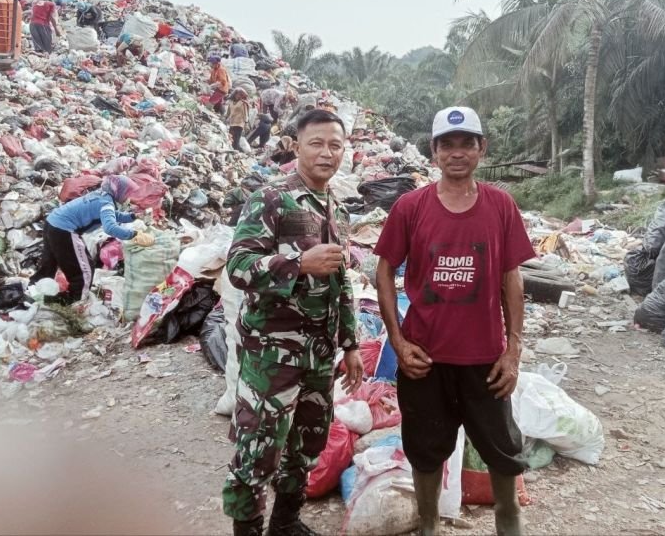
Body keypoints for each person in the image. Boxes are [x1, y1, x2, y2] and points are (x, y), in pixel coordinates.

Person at [374, 106, 535, 536]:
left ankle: (509, 524)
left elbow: (511, 278)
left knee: (502, 450)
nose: (457, 153)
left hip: (485, 358)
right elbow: (385, 270)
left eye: (467, 144)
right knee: (426, 450)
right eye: (448, 144)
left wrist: (513, 348)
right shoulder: (410, 207)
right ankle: (428, 525)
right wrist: (398, 341)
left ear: (481, 149)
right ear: (434, 151)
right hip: (424, 358)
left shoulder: (501, 206)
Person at [223, 109, 364, 536]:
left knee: (306, 443)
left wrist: (351, 343)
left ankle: (285, 523)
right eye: (317, 143)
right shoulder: (271, 197)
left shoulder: (334, 205)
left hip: (319, 352)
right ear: (297, 146)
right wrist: (298, 263)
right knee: (258, 447)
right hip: (273, 352)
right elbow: (238, 267)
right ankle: (247, 529)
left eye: (335, 145)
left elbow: (340, 281)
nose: (327, 153)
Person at [29, 175, 155, 304]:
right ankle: (75, 301)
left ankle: (32, 291)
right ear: (119, 190)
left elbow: (112, 215)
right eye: (127, 193)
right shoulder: (106, 203)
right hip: (64, 230)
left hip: (52, 222)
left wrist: (132, 216)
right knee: (84, 270)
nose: (127, 197)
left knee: (49, 263)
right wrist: (134, 235)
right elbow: (110, 227)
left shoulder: (101, 195)